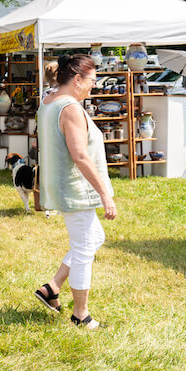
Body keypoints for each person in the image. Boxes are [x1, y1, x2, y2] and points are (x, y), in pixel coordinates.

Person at [34, 54, 117, 330]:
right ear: (78, 79)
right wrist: (105, 193)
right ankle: (81, 315)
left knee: (95, 237)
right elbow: (80, 155)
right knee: (84, 249)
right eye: (93, 80)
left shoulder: (49, 100)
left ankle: (53, 287)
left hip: (63, 185)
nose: (95, 85)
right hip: (75, 188)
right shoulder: (69, 108)